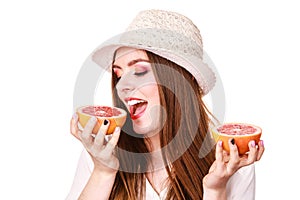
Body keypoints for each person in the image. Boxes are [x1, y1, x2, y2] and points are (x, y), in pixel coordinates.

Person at [68, 9, 264, 200]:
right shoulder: (100, 153)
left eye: (139, 71)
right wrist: (103, 172)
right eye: (118, 75)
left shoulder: (233, 162)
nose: (122, 87)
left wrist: (215, 189)